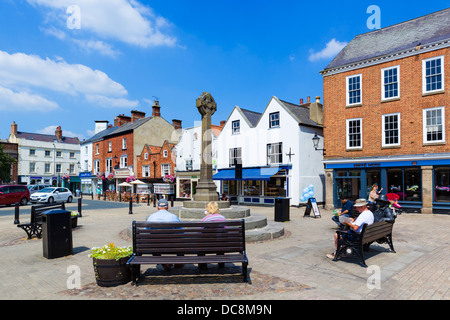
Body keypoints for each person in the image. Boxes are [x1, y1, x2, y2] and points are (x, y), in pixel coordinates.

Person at [146, 199, 181, 271]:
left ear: (158, 207)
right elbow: (181, 232)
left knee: (152, 242)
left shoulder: (151, 217)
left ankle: (163, 262)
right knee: (181, 241)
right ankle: (178, 262)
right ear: (167, 206)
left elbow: (146, 231)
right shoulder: (173, 217)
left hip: (155, 245)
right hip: (172, 245)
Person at [199, 201, 226, 269]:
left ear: (208, 209)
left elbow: (199, 232)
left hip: (207, 244)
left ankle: (202, 266)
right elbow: (226, 231)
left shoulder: (205, 219)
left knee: (200, 246)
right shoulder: (223, 218)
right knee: (221, 243)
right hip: (220, 243)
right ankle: (221, 264)